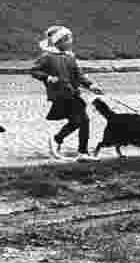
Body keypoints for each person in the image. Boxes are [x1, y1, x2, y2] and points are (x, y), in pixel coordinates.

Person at [29, 25, 104, 162]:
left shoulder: (70, 57)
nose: (71, 42)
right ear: (59, 41)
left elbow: (79, 76)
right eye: (68, 39)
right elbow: (34, 71)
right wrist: (47, 77)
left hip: (72, 93)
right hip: (60, 94)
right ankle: (78, 150)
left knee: (78, 121)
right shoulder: (47, 56)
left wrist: (91, 85)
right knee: (82, 120)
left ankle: (63, 142)